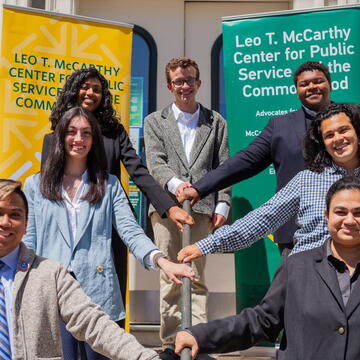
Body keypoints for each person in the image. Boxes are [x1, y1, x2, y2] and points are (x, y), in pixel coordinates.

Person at [23, 107, 195, 360]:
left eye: (86, 133)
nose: (78, 139)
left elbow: (130, 231)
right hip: (52, 295)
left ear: (94, 140)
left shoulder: (110, 184)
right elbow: (28, 239)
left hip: (98, 295)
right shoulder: (35, 185)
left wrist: (162, 261)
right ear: (60, 137)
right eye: (71, 132)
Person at [42, 67, 194, 307]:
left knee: (110, 292)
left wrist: (169, 207)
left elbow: (139, 171)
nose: (91, 93)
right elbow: (48, 187)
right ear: (74, 90)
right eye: (85, 87)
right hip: (69, 226)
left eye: (97, 89)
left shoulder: (115, 133)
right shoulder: (56, 138)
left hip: (110, 220)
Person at [175, 175, 360, 360]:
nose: (350, 220)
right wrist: (201, 335)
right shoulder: (297, 265)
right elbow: (263, 320)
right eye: (341, 212)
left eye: (358, 213)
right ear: (326, 215)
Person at [177, 61, 332, 253]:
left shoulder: (352, 119)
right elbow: (245, 161)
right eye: (304, 84)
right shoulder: (280, 126)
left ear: (330, 84)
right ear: (297, 90)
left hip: (351, 226)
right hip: (297, 234)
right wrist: (199, 188)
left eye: (318, 81)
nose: (312, 87)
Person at [0, 178, 161, 359]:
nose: (5, 222)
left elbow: (93, 323)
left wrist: (146, 358)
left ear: (26, 222)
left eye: (15, 215)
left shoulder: (50, 274)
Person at [178, 103, 360, 262]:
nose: (337, 139)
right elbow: (263, 219)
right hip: (310, 276)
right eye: (329, 135)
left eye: (344, 130)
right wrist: (205, 245)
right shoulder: (308, 180)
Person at [143, 57, 231, 360]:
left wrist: (223, 201)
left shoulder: (215, 121)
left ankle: (197, 341)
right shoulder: (155, 121)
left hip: (204, 208)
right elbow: (156, 162)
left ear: (199, 83)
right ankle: (170, 342)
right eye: (178, 81)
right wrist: (177, 186)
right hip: (168, 210)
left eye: (190, 80)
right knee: (171, 276)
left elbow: (223, 165)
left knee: (196, 276)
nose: (185, 86)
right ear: (170, 86)